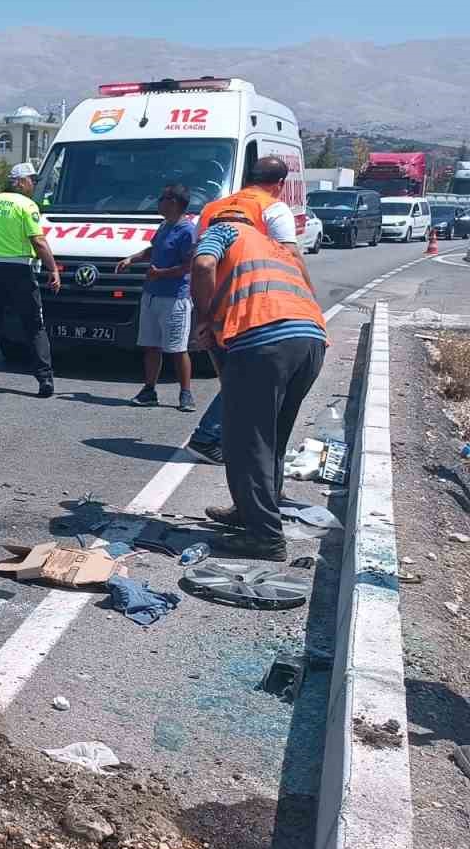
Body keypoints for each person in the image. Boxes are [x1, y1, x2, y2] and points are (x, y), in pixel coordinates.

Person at [190, 209, 327, 560]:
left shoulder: (223, 232)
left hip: (265, 342)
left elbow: (203, 265)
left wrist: (204, 317)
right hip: (310, 341)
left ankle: (264, 536)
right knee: (272, 439)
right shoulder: (275, 246)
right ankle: (251, 512)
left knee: (244, 442)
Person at [186, 156, 310, 462]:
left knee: (236, 379)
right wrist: (306, 298)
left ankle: (220, 438)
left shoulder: (212, 208)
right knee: (246, 382)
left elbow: (200, 261)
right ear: (280, 185)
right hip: (256, 308)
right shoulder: (273, 207)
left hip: (214, 303)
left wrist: (202, 314)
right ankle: (211, 437)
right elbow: (290, 255)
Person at [0, 163, 60, 397]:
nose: (34, 184)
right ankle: (45, 379)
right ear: (20, 182)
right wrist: (53, 269)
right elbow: (38, 241)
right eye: (31, 180)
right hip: (19, 271)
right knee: (34, 326)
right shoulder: (26, 205)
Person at [115, 182, 196, 411]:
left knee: (178, 348)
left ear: (173, 203)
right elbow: (153, 250)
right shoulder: (164, 226)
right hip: (152, 295)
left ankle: (186, 393)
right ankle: (149, 390)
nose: (158, 202)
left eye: (162, 198)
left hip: (174, 297)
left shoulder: (187, 230)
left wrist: (161, 273)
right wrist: (132, 258)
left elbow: (189, 265)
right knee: (151, 346)